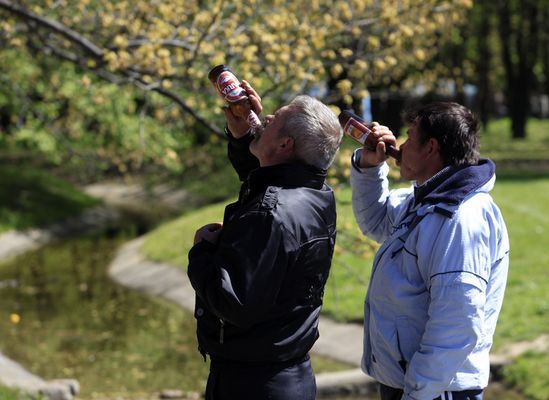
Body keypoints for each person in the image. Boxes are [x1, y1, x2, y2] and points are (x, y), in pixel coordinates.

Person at [187, 81, 343, 400]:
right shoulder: (314, 194)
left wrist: (202, 249)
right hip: (288, 375)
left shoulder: (268, 215)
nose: (266, 116)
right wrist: (246, 135)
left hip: (253, 385)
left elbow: (230, 300)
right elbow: (265, 182)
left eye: (275, 119)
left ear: (285, 145)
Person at [349, 102, 509, 400]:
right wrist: (370, 167)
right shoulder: (427, 200)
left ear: (430, 147)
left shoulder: (462, 218)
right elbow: (376, 221)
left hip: (437, 389)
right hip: (416, 383)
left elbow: (457, 322)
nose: (402, 145)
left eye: (410, 137)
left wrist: (418, 393)